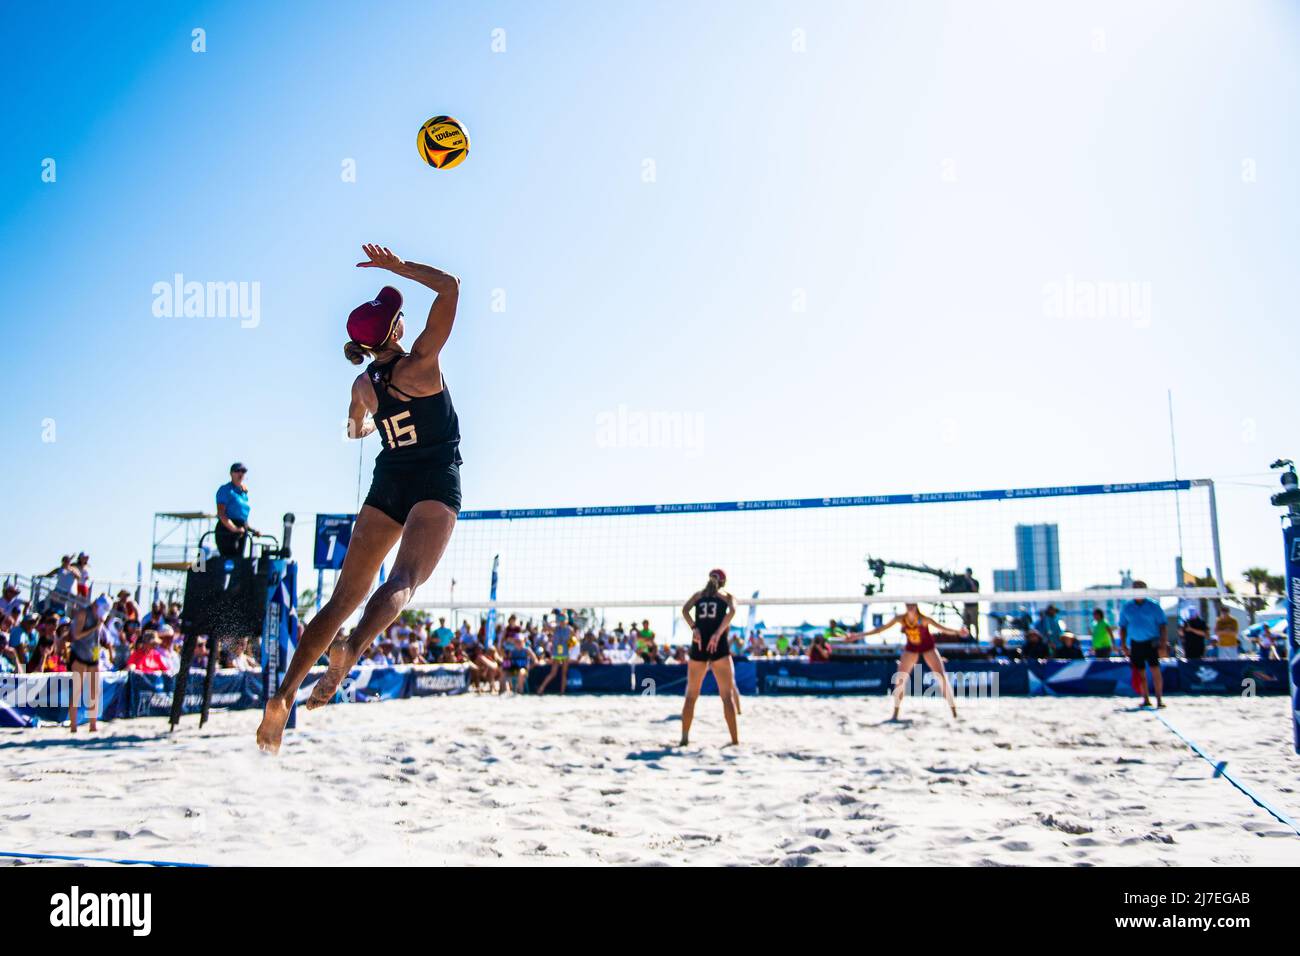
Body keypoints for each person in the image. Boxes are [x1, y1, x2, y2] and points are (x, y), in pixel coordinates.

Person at [257, 244, 464, 753]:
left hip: (388, 478)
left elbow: (354, 433)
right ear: (395, 331)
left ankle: (282, 696)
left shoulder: (362, 384)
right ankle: (353, 647)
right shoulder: (421, 364)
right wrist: (397, 267)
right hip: (433, 479)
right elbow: (451, 285)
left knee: (339, 599)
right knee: (404, 579)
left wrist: (378, 420)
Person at [855, 603, 966, 720]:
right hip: (912, 648)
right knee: (900, 679)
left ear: (916, 605)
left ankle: (953, 711)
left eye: (912, 604)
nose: (910, 606)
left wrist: (958, 632)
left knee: (942, 678)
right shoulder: (901, 619)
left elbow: (943, 628)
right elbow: (880, 629)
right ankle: (895, 713)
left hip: (928, 648)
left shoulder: (923, 619)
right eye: (908, 604)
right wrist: (858, 635)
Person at [679, 569, 739, 746]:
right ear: (724, 582)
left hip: (699, 644)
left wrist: (694, 628)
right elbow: (733, 610)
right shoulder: (726, 597)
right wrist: (718, 633)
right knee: (727, 697)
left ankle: (684, 738)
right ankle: (735, 741)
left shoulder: (698, 596)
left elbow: (684, 610)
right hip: (717, 645)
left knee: (691, 696)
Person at [1118, 581, 1168, 708]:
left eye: (1140, 588)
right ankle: (1145, 699)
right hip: (1135, 643)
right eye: (1136, 588)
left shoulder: (1154, 606)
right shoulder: (1127, 607)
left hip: (1152, 641)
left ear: (1145, 590)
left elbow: (1163, 625)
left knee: (1155, 670)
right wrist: (1123, 644)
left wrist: (1163, 643)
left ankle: (1159, 700)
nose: (1138, 590)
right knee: (1140, 672)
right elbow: (1122, 627)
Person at [67, 596, 107, 733]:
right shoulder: (84, 613)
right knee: (77, 690)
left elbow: (97, 638)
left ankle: (93, 725)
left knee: (94, 691)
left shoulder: (101, 616)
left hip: (93, 653)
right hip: (79, 653)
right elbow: (76, 635)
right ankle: (73, 726)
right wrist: (95, 626)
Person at [215, 463, 258, 558]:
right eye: (237, 471)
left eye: (243, 471)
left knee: (239, 560)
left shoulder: (243, 493)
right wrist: (234, 529)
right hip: (227, 529)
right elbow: (221, 514)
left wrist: (252, 530)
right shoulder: (225, 490)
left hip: (241, 530)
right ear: (231, 473)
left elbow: (242, 517)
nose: (240, 474)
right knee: (230, 560)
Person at [536, 613, 573, 696]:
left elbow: (573, 641)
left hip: (565, 653)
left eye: (563, 620)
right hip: (557, 653)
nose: (562, 622)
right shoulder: (555, 628)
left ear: (566, 620)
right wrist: (550, 619)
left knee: (564, 673)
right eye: (560, 620)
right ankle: (541, 688)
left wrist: (569, 646)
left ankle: (562, 692)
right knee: (553, 673)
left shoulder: (569, 629)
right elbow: (545, 627)